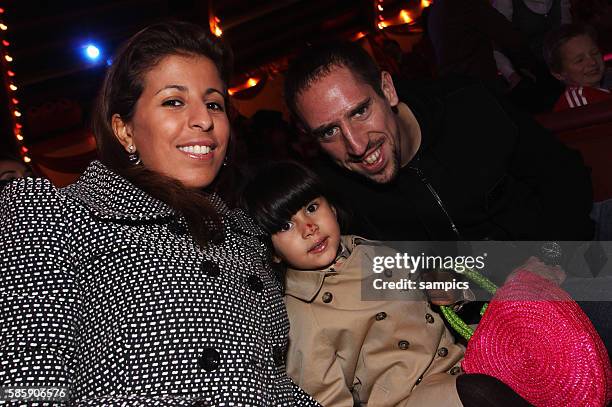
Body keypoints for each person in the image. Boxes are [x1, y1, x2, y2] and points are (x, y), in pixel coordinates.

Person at [0, 21, 318, 406]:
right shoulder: (53, 214)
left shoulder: (245, 234)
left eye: (214, 103)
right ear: (124, 130)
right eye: (174, 101)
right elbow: (28, 390)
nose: (204, 120)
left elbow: (270, 383)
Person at [241, 161, 533, 407]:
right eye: (285, 226)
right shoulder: (302, 314)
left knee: (532, 351)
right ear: (272, 251)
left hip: (461, 360)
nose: (308, 228)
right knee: (477, 391)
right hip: (409, 397)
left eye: (312, 207)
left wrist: (449, 292)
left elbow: (431, 302)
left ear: (330, 205)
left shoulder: (369, 250)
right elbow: (324, 399)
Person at [283, 41, 594, 242]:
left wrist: (550, 261)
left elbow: (564, 175)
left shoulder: (468, 106)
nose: (356, 145)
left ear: (387, 90)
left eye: (360, 111)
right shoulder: (332, 193)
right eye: (329, 131)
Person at [543, 23, 612, 111]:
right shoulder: (580, 101)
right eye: (579, 60)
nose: (593, 62)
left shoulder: (601, 91)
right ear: (558, 74)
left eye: (595, 53)